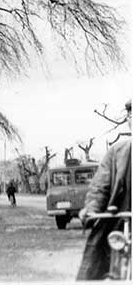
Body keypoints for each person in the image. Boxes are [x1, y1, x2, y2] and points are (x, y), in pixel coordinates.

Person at [76, 102, 131, 280]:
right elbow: (100, 187)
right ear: (129, 120)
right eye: (131, 116)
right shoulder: (117, 152)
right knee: (107, 269)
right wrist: (91, 209)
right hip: (122, 224)